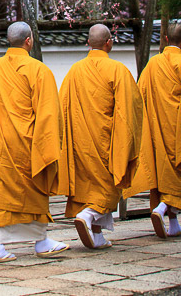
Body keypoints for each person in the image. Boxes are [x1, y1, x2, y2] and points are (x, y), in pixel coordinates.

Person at [0, 21, 68, 262]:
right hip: (28, 145)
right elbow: (48, 113)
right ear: (29, 41)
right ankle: (41, 242)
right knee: (34, 191)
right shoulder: (39, 70)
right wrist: (49, 146)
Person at [59, 24, 142, 249]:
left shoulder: (74, 70)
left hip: (80, 142)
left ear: (88, 43)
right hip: (107, 141)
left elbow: (62, 107)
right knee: (107, 188)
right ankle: (87, 215)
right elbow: (130, 109)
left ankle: (97, 236)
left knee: (89, 187)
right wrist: (126, 142)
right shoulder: (117, 70)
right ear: (109, 42)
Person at [127, 21, 181, 238]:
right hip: (177, 130)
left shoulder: (153, 64)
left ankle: (173, 222)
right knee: (176, 175)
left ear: (166, 40)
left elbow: (141, 96)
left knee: (164, 174)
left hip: (158, 130)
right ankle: (163, 207)